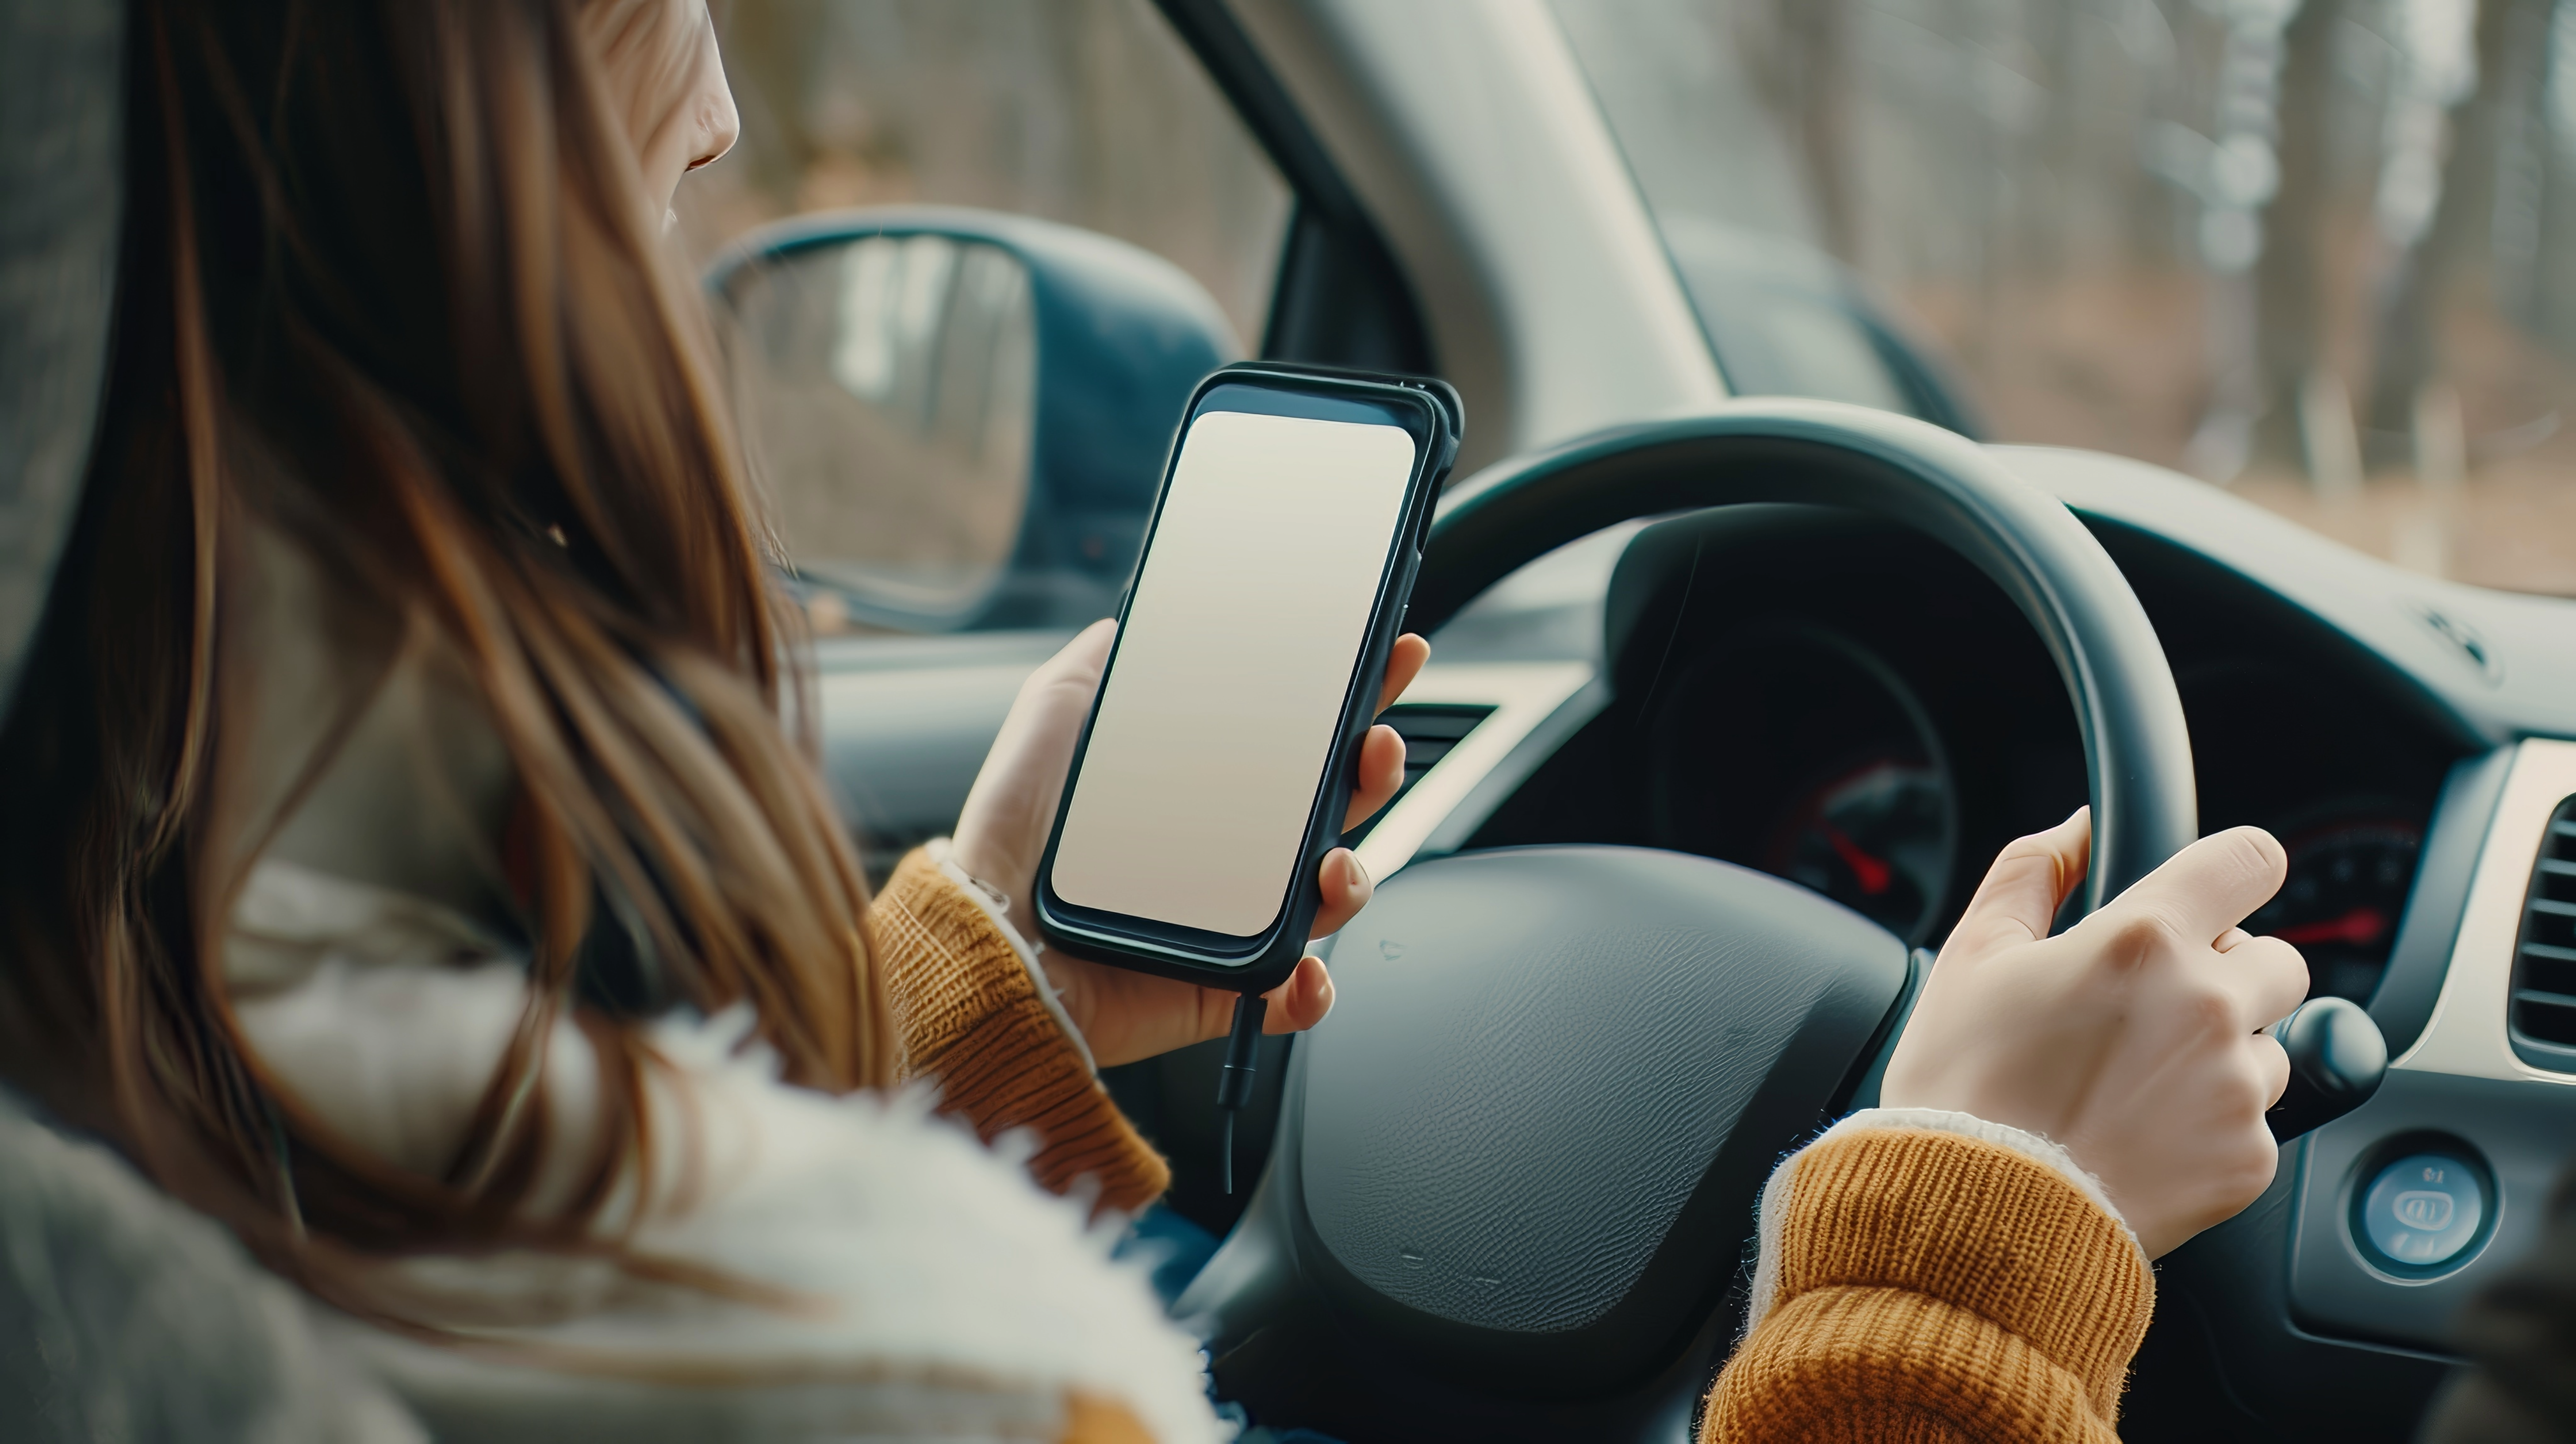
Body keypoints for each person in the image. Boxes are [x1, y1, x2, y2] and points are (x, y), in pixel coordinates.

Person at [0, 0, 2378, 1440]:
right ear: (399, 252)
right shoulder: (891, 1383)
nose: (713, 141)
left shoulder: (142, 1123)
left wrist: (984, 1016)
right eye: (647, 161)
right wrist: (1978, 1237)